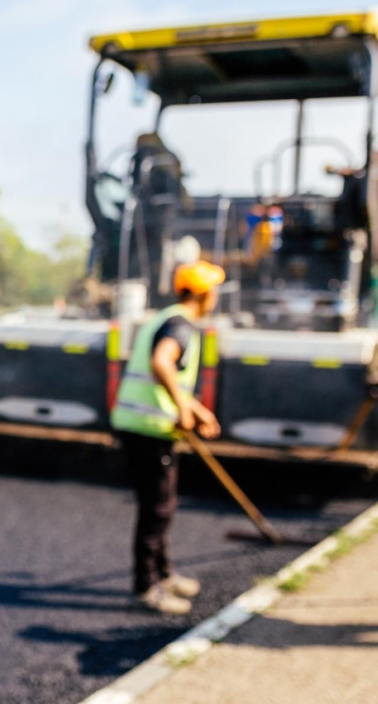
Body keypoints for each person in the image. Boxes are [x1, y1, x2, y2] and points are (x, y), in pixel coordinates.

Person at [110, 261, 225, 615]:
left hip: (141, 424)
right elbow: (162, 364)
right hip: (147, 428)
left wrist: (197, 409)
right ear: (203, 294)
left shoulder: (167, 319)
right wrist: (183, 408)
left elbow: (165, 372)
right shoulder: (181, 327)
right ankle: (146, 586)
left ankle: (164, 572)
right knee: (157, 509)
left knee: (163, 505)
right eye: (215, 291)